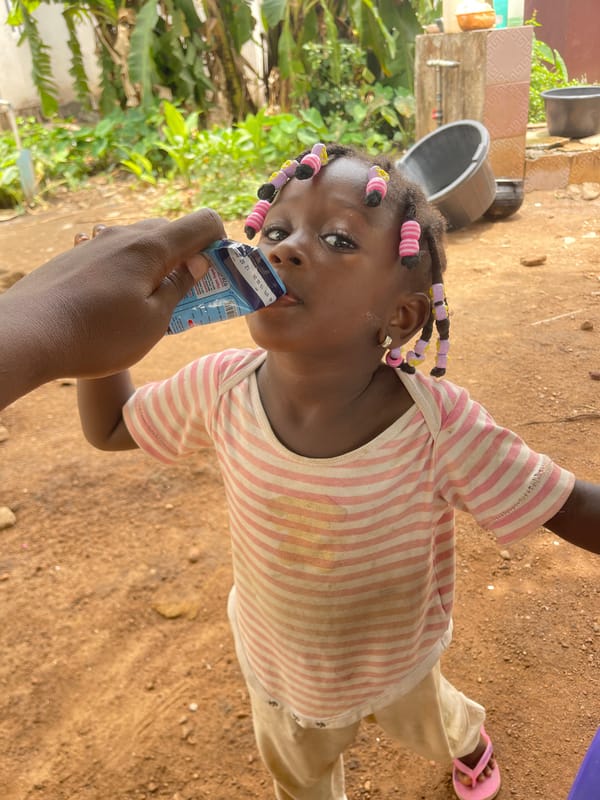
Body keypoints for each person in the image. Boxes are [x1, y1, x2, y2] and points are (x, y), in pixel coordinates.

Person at [75, 143, 600, 800]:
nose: (287, 249)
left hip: (398, 661)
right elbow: (112, 426)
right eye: (275, 230)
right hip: (277, 670)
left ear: (401, 315)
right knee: (302, 781)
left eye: (337, 239)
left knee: (437, 723)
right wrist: (99, 340)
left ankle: (467, 741)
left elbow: (569, 505)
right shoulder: (219, 387)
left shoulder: (440, 426)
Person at [0, 208, 225, 411]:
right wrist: (90, 324)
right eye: (262, 234)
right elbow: (117, 421)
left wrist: (53, 315)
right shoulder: (225, 385)